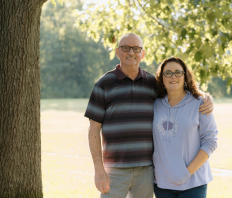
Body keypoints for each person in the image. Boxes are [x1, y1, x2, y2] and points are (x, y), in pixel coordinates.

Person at [84, 33, 213, 198]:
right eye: (125, 48)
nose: (131, 52)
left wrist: (204, 96)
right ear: (117, 52)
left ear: (142, 54)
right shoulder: (103, 84)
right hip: (114, 170)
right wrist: (99, 170)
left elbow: (178, 87)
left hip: (146, 170)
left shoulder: (153, 83)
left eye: (136, 49)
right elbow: (93, 130)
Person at [152, 57, 218, 198]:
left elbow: (210, 141)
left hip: (193, 183)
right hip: (162, 184)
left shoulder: (200, 103)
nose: (173, 76)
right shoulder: (154, 104)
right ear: (161, 77)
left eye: (178, 72)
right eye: (168, 73)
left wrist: (186, 172)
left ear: (185, 76)